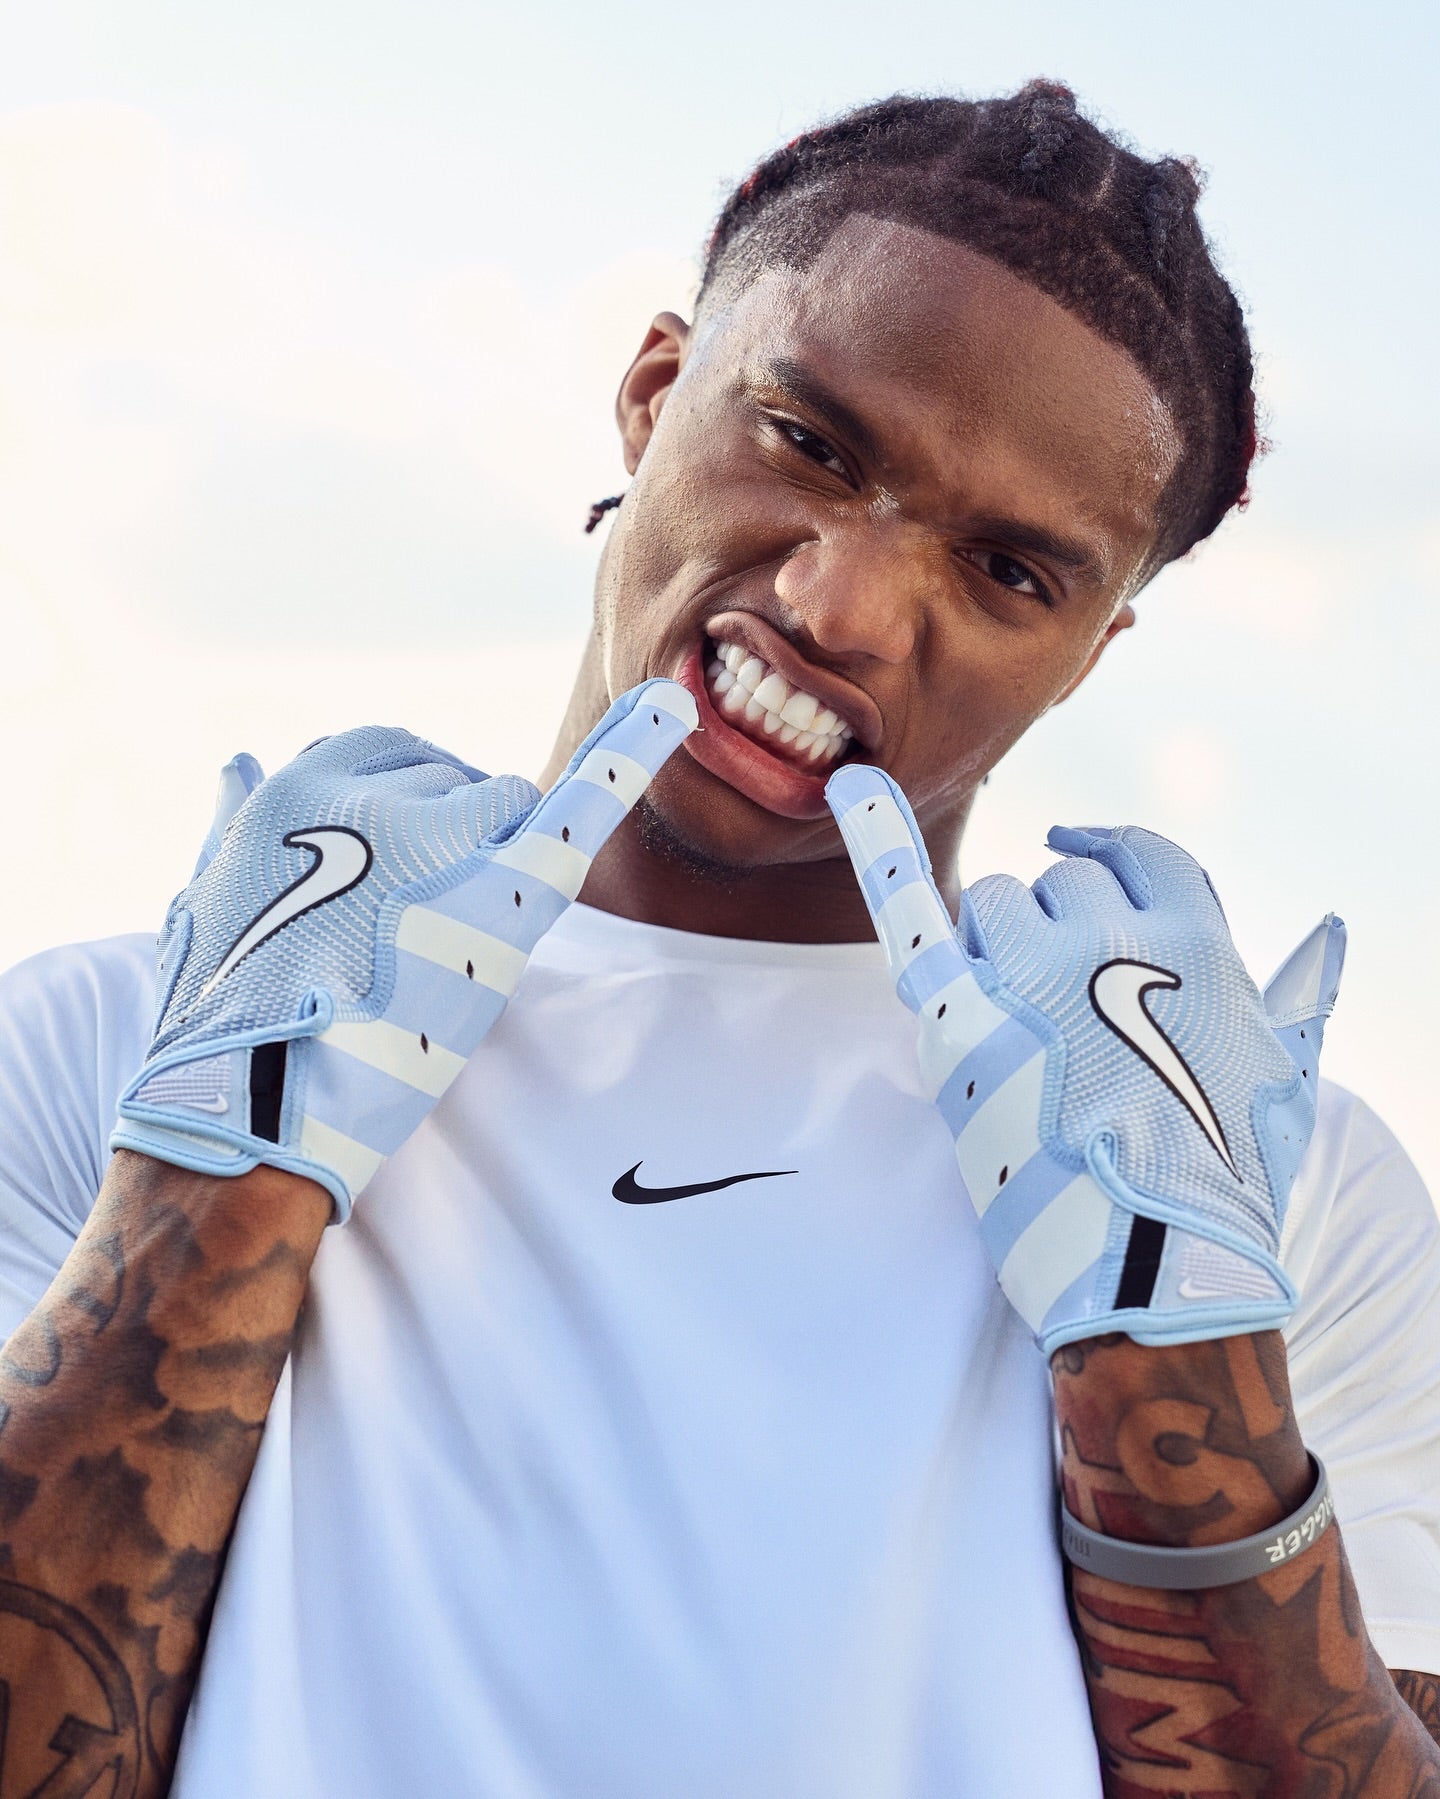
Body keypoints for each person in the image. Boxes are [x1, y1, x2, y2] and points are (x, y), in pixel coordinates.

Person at [0, 83, 1434, 1798]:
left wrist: (1182, 1350)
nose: (841, 608)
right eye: (811, 446)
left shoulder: (1275, 1195)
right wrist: (211, 1173)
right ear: (653, 390)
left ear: (1089, 654)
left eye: (1007, 571)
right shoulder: (112, 1044)